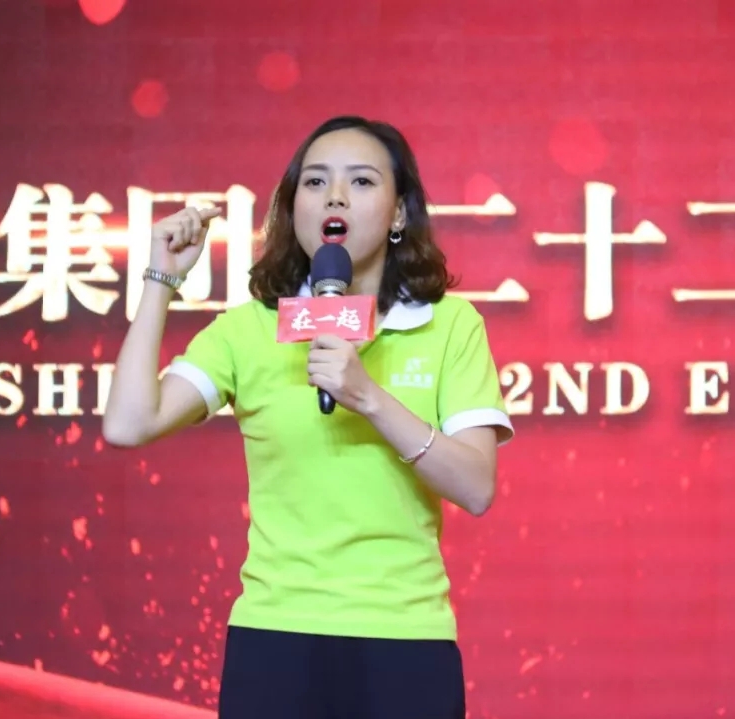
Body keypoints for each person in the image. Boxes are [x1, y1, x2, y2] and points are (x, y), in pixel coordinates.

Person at [102, 115, 514, 719]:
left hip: (404, 636)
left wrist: (369, 398)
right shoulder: (250, 329)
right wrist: (162, 279)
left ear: (400, 213)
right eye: (315, 182)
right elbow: (128, 424)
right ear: (293, 209)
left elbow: (476, 487)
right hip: (276, 635)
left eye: (362, 181)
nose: (335, 197)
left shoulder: (449, 324)